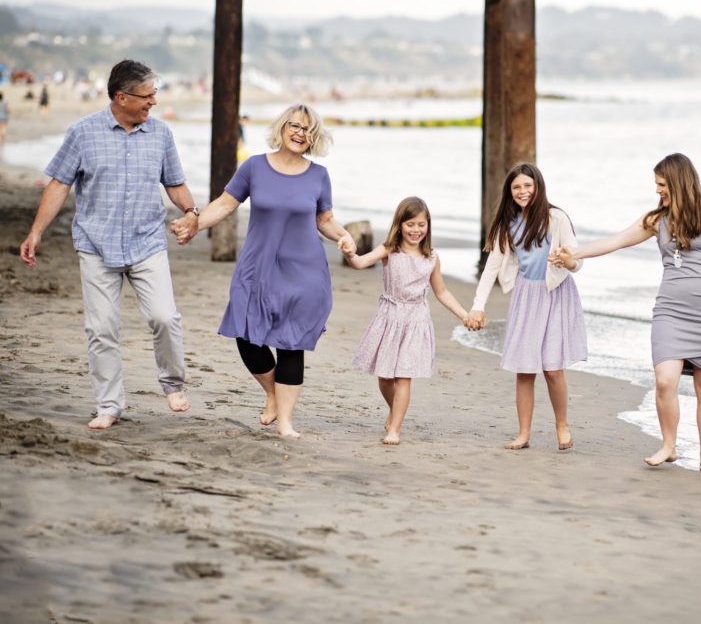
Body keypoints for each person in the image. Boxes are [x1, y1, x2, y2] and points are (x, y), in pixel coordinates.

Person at [551, 153, 701, 471]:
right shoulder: (657, 219)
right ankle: (669, 445)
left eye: (661, 185)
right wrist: (573, 252)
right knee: (664, 381)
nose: (658, 191)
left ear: (678, 181)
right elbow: (616, 241)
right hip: (670, 310)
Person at [19, 59, 199, 429]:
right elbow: (59, 185)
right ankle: (109, 405)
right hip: (95, 243)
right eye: (147, 96)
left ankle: (172, 383)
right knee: (102, 328)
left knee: (164, 317)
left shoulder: (161, 134)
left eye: (154, 95)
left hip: (146, 240)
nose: (153, 102)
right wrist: (36, 232)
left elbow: (175, 183)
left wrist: (191, 211)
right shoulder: (83, 133)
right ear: (122, 96)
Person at [172, 103, 353, 439]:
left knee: (290, 343)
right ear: (282, 128)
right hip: (258, 267)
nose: (301, 134)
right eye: (295, 126)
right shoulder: (255, 167)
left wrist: (344, 237)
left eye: (308, 130)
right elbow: (226, 203)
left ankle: (285, 421)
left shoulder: (318, 175)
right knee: (245, 335)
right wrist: (194, 224)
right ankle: (272, 394)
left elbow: (324, 219)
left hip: (303, 272)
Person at [468, 163, 586, 451]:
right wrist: (477, 306)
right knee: (525, 369)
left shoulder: (556, 218)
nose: (522, 191)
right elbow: (492, 267)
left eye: (528, 186)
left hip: (556, 294)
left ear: (538, 187)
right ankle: (523, 433)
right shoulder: (507, 223)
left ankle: (562, 424)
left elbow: (577, 262)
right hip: (526, 297)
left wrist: (565, 260)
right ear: (510, 191)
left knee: (553, 368)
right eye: (517, 187)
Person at [342, 197, 470, 445]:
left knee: (403, 376)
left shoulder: (431, 258)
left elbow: (441, 292)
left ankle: (395, 429)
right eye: (410, 224)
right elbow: (359, 263)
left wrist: (464, 315)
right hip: (389, 317)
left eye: (421, 225)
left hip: (415, 320)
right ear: (400, 225)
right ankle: (395, 412)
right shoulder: (390, 249)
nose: (416, 230)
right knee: (385, 377)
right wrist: (350, 253)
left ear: (428, 226)